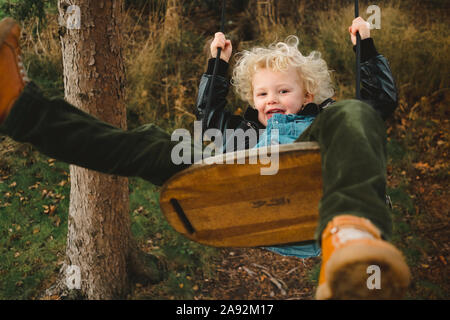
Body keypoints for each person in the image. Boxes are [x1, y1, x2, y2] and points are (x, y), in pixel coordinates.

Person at [0, 15, 410, 299]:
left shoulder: (324, 119)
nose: (272, 101)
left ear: (308, 95)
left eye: (284, 91)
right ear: (252, 100)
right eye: (262, 94)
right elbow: (209, 117)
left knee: (354, 113)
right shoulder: (245, 132)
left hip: (321, 208)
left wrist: (366, 48)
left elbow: (378, 104)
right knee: (155, 144)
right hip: (249, 202)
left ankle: (352, 246)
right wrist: (218, 63)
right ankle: (20, 109)